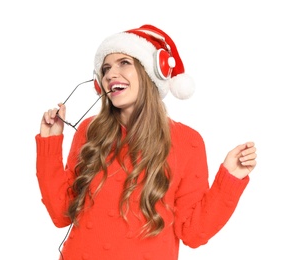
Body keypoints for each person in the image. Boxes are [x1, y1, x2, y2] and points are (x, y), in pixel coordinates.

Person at [36, 24, 257, 260]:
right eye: (106, 68)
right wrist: (50, 143)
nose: (110, 74)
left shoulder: (187, 142)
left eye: (124, 63)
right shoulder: (90, 131)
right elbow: (61, 214)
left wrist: (230, 178)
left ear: (150, 72)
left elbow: (193, 233)